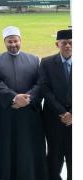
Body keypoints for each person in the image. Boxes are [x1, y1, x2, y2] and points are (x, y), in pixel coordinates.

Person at [0, 26, 48, 180]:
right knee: (7, 145)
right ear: (4, 42)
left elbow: (40, 83)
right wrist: (14, 98)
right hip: (7, 111)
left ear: (21, 40)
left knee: (27, 146)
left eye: (15, 41)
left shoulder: (34, 59)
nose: (13, 44)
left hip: (29, 113)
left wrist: (26, 99)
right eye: (9, 41)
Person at [39, 29, 72, 180]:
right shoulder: (46, 63)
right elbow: (45, 89)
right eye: (64, 43)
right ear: (57, 44)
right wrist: (63, 113)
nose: (68, 46)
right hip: (54, 120)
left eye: (71, 43)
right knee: (54, 158)